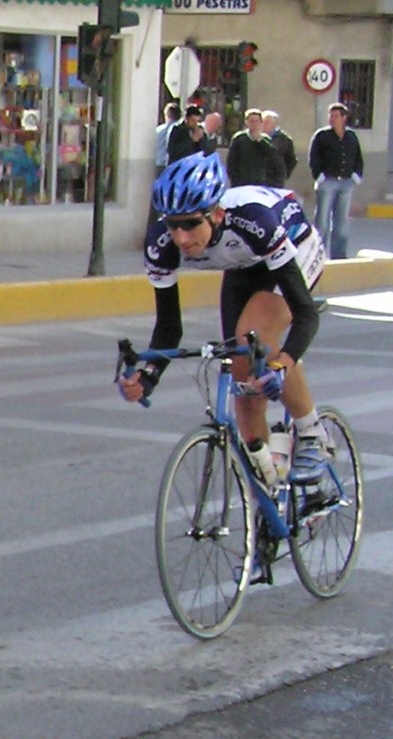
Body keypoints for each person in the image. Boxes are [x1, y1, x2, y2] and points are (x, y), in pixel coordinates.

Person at [119, 152, 332, 492]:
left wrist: (282, 363)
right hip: (242, 264)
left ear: (217, 214)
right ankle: (268, 496)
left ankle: (311, 432)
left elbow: (305, 313)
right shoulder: (161, 244)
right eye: (173, 224)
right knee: (242, 379)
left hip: (293, 246)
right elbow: (169, 327)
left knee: (253, 335)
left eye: (191, 223)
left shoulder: (253, 220)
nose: (181, 237)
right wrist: (148, 376)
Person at [309, 102, 364, 260]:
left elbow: (358, 157)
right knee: (322, 221)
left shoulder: (351, 136)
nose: (332, 118)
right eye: (330, 115)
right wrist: (319, 176)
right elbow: (313, 157)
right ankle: (318, 254)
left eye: (335, 116)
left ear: (344, 118)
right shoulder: (322, 135)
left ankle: (339, 255)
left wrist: (356, 176)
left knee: (342, 221)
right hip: (327, 182)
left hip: (346, 183)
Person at [226, 108, 285, 187]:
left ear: (261, 123)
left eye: (256, 121)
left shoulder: (266, 139)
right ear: (246, 122)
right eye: (251, 121)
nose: (254, 124)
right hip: (241, 183)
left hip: (260, 182)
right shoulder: (239, 138)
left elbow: (274, 157)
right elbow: (231, 162)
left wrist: (259, 141)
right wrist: (235, 180)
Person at [262, 109, 297, 184]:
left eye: (267, 122)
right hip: (257, 178)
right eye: (262, 121)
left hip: (275, 179)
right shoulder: (256, 137)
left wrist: (283, 174)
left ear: (275, 124)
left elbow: (291, 160)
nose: (264, 124)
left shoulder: (284, 139)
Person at [155, 102, 182, 176]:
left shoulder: (158, 130)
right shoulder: (182, 131)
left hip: (159, 165)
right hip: (175, 166)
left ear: (167, 115)